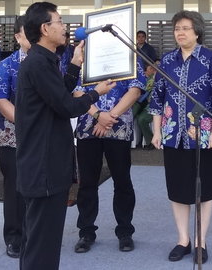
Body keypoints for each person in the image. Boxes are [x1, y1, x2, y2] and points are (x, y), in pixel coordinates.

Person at [15, 2, 115, 269]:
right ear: (45, 28)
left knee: (43, 240)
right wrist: (96, 93)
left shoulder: (44, 61)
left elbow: (57, 94)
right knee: (41, 242)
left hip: (47, 164)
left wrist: (74, 65)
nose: (65, 27)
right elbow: (67, 106)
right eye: (59, 21)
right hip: (42, 166)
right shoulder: (37, 63)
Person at [149, 10, 212, 264]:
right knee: (178, 189)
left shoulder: (211, 59)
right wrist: (157, 130)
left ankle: (201, 241)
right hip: (173, 135)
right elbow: (157, 99)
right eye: (176, 29)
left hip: (204, 135)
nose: (180, 32)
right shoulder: (168, 61)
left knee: (204, 188)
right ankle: (183, 239)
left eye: (185, 28)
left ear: (197, 31)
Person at [73, 58, 146, 254]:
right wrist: (98, 115)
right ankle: (86, 232)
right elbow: (77, 91)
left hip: (119, 126)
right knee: (87, 181)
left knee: (122, 181)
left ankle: (125, 231)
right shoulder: (86, 59)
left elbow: (135, 90)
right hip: (88, 126)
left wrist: (108, 118)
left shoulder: (130, 57)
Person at [0, 15, 29, 259]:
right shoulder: (8, 64)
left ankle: (34, 233)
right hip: (13, 135)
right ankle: (14, 237)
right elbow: (0, 98)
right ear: (17, 37)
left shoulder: (52, 62)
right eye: (29, 33)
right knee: (14, 188)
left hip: (42, 137)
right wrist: (25, 122)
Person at [132, 60, 158, 150]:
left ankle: (150, 142)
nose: (154, 69)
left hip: (152, 106)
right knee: (130, 115)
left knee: (141, 119)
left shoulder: (156, 79)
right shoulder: (146, 79)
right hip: (139, 103)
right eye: (151, 68)